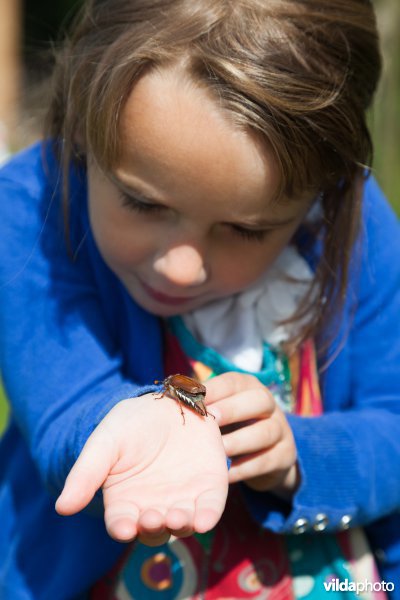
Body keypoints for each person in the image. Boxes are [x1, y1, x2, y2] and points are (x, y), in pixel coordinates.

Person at [0, 0, 399, 598]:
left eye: (245, 229)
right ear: (83, 125)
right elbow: (63, 403)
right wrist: (122, 427)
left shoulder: (357, 223)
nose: (181, 267)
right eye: (142, 203)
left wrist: (299, 457)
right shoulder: (30, 211)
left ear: (327, 186)